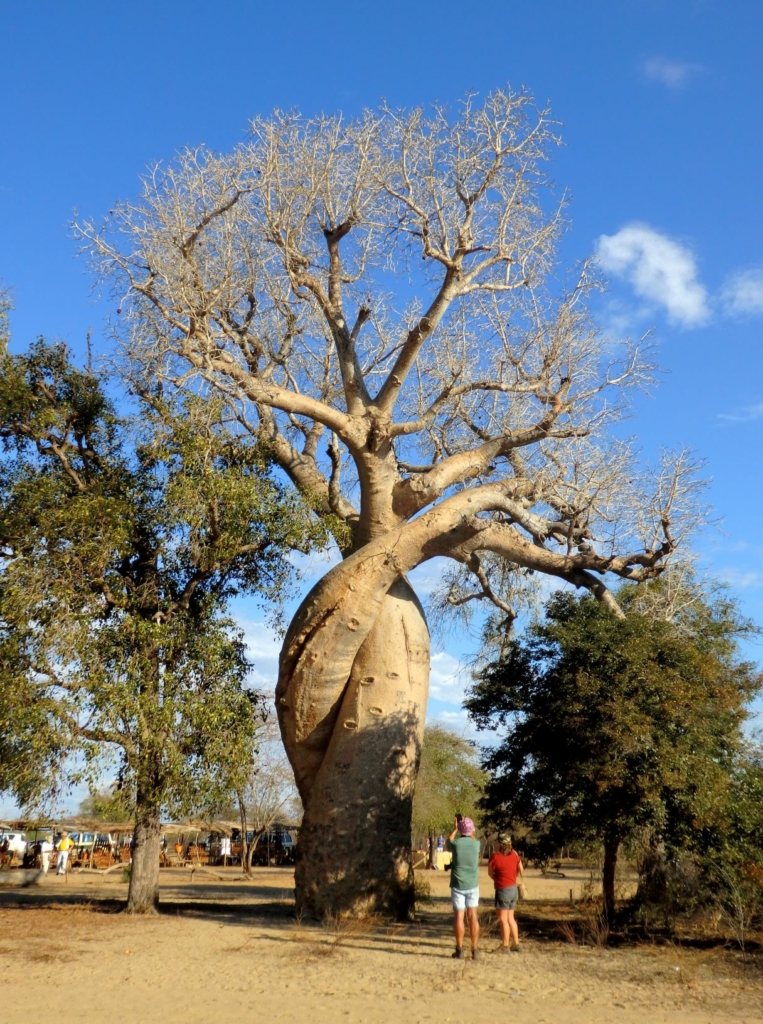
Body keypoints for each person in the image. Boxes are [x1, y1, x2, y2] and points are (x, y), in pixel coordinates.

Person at [447, 816, 481, 960]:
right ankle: (474, 949)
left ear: (460, 829)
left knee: (459, 916)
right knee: (473, 916)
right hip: (472, 884)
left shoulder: (455, 844)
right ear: (472, 830)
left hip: (458, 884)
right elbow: (472, 837)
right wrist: (468, 828)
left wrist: (455, 828)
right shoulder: (476, 844)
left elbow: (448, 841)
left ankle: (459, 948)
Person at [488, 833, 524, 952]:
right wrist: (513, 877)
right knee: (511, 918)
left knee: (503, 919)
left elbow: (490, 873)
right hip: (513, 889)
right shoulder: (514, 855)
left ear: (500, 844)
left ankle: (505, 945)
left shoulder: (495, 857)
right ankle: (516, 944)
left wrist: (497, 879)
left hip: (503, 890)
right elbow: (521, 869)